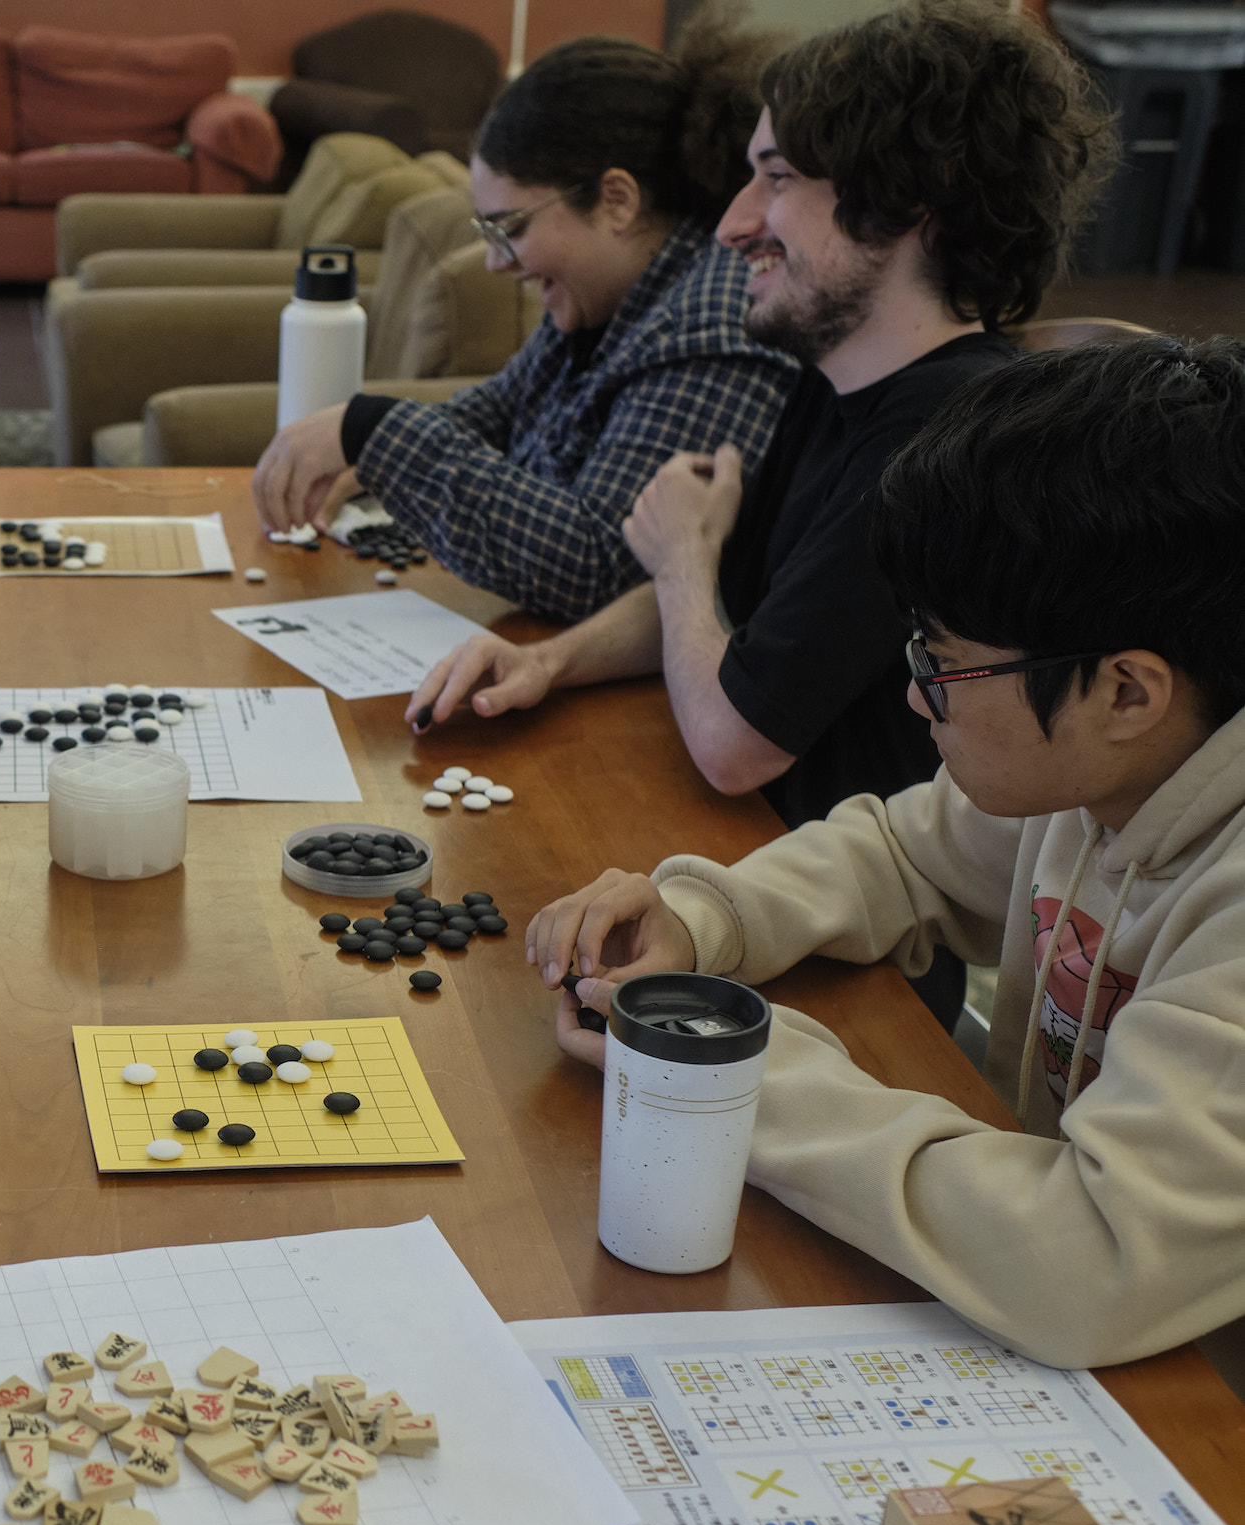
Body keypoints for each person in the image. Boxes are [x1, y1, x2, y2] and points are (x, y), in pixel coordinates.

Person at [528, 337, 1245, 1371]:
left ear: (1125, 690)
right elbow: (901, 856)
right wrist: (699, 917)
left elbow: (1084, 1262)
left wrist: (740, 1079)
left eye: (940, 664)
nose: (913, 697)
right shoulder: (1116, 763)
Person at [409, 0, 1112, 1023]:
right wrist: (550, 661)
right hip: (751, 886)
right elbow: (740, 605)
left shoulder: (944, 440)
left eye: (774, 177)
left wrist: (679, 559)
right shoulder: (834, 382)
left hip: (844, 968)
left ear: (901, 202)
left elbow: (737, 737)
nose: (736, 220)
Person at [251, 14, 799, 622]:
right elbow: (499, 412)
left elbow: (600, 568)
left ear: (616, 200)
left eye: (509, 229)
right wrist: (366, 459)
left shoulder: (716, 322)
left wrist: (375, 430)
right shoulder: (611, 294)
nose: (492, 261)